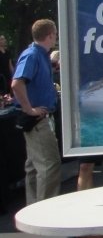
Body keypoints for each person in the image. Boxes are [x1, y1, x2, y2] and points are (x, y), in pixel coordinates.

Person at [11, 19, 61, 204]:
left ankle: (33, 206)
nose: (56, 36)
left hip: (41, 116)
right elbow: (17, 83)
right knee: (49, 164)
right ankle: (45, 209)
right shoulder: (32, 55)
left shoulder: (41, 55)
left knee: (33, 165)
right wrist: (29, 110)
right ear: (50, 35)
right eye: (55, 33)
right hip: (37, 118)